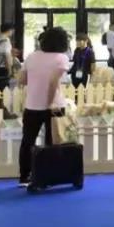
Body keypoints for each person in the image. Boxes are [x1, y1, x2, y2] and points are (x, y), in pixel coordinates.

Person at [16, 26, 69, 186]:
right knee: (53, 142)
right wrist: (50, 102)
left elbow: (21, 80)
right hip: (55, 106)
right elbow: (53, 83)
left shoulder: (32, 57)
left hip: (32, 105)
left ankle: (24, 176)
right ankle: (50, 175)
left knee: (27, 141)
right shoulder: (61, 58)